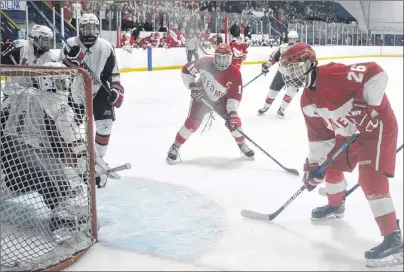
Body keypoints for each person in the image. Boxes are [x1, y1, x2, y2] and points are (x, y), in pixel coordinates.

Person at [279, 42, 402, 268]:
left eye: (295, 68)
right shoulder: (307, 101)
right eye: (287, 70)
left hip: (377, 128)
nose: (291, 75)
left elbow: (375, 72)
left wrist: (370, 107)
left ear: (309, 64)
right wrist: (314, 167)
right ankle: (336, 206)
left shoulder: (333, 74)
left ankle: (394, 239)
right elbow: (320, 139)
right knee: (329, 167)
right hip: (350, 133)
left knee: (370, 179)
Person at [0, 62, 105, 240]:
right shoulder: (57, 105)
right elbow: (75, 147)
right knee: (74, 186)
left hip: (8, 168)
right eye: (61, 81)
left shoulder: (15, 97)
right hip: (36, 169)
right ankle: (65, 223)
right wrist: (94, 170)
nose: (64, 85)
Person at [60, 13, 124, 179]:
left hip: (98, 89)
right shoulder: (70, 44)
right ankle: (75, 159)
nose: (89, 32)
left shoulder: (106, 47)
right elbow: (59, 71)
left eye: (93, 28)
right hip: (75, 90)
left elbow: (114, 74)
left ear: (98, 29)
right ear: (80, 28)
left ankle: (99, 159)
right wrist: (70, 62)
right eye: (86, 28)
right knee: (69, 127)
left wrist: (117, 89)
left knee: (105, 124)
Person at [166, 43, 254, 164]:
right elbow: (187, 69)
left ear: (230, 58)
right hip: (201, 97)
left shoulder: (235, 73)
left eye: (225, 58)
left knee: (235, 123)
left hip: (220, 101)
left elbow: (234, 96)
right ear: (214, 56)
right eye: (220, 57)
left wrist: (232, 113)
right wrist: (192, 86)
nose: (222, 62)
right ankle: (175, 147)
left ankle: (242, 144)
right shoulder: (205, 62)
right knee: (192, 123)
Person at [258, 30, 299, 117]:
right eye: (290, 39)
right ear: (288, 39)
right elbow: (274, 58)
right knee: (272, 91)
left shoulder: (301, 48)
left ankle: (282, 109)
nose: (292, 41)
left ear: (296, 39)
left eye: (294, 39)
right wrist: (267, 66)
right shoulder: (283, 47)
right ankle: (266, 107)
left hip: (294, 75)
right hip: (281, 73)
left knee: (291, 92)